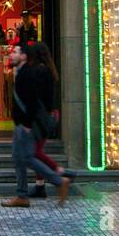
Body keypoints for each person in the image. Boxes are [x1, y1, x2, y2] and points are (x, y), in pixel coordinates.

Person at [1, 42, 69, 208]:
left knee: (27, 157)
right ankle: (24, 194)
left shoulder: (29, 73)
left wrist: (26, 123)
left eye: (15, 52)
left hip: (25, 125)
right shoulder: (26, 71)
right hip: (25, 123)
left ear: (24, 56)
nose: (11, 54)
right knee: (22, 158)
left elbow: (32, 101)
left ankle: (57, 181)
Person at [24, 42, 73, 199]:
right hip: (49, 115)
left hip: (41, 117)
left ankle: (61, 173)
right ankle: (40, 186)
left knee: (35, 152)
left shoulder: (39, 71)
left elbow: (35, 97)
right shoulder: (50, 71)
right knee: (38, 151)